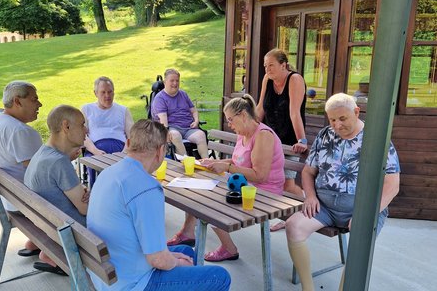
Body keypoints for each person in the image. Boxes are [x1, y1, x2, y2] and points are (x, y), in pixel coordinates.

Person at [86, 119, 231, 291]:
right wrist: (176, 262)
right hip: (131, 283)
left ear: (128, 143)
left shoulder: (108, 172)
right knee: (219, 277)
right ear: (161, 151)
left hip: (107, 273)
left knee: (186, 251)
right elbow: (157, 260)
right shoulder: (147, 188)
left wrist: (174, 258)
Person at [285, 93, 400, 291]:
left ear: (356, 112)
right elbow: (308, 171)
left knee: (360, 239)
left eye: (343, 118)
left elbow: (392, 185)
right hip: (325, 206)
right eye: (332, 120)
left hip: (362, 208)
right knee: (293, 226)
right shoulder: (324, 135)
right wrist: (310, 196)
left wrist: (367, 215)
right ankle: (308, 288)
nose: (337, 125)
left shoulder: (376, 138)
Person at [168, 95, 285, 262]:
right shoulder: (244, 132)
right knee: (197, 192)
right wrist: (214, 162)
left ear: (243, 115)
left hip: (263, 192)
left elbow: (260, 175)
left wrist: (227, 167)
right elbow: (237, 161)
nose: (229, 125)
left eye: (231, 120)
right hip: (243, 185)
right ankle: (188, 233)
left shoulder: (263, 136)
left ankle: (228, 249)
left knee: (209, 203)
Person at [25, 105, 89, 276]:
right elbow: (85, 208)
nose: (86, 129)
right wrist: (88, 192)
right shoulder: (59, 163)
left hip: (51, 224)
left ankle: (48, 252)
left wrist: (83, 191)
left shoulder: (43, 153)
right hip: (75, 232)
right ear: (66, 126)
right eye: (82, 124)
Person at [0, 80, 43, 257]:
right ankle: (51, 255)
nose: (40, 104)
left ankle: (37, 241)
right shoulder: (21, 131)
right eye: (34, 99)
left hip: (12, 199)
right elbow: (43, 174)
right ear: (18, 101)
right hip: (28, 205)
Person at [256, 48, 308, 232]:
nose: (267, 69)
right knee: (273, 180)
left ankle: (307, 207)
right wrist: (251, 130)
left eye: (271, 65)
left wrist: (302, 139)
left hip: (289, 140)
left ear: (283, 65)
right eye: (265, 66)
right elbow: (261, 107)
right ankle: (287, 215)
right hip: (270, 138)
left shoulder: (295, 79)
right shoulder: (267, 80)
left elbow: (295, 112)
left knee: (288, 183)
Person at [82, 76, 134, 188]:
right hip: (95, 149)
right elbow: (82, 136)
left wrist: (124, 152)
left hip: (120, 149)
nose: (107, 96)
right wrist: (95, 151)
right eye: (103, 92)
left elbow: (132, 135)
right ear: (95, 93)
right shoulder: (87, 109)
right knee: (96, 168)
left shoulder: (123, 110)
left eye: (110, 92)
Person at [151, 68, 208, 158]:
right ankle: (186, 162)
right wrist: (165, 135)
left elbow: (193, 110)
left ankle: (206, 162)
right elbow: (163, 121)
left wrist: (196, 121)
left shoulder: (183, 94)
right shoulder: (160, 98)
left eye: (177, 81)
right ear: (165, 82)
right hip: (172, 127)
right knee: (175, 135)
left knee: (201, 135)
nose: (175, 83)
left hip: (188, 127)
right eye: (172, 81)